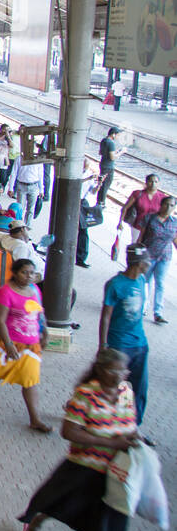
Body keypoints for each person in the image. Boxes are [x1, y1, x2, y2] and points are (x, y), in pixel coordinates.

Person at [17, 349, 140, 531]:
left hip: (116, 474)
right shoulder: (85, 395)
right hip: (84, 468)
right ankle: (35, 525)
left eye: (124, 371)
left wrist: (135, 438)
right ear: (101, 370)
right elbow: (69, 432)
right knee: (59, 504)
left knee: (115, 530)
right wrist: (112, 443)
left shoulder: (126, 392)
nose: (121, 375)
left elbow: (130, 424)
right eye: (115, 370)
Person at [0, 258, 52, 432]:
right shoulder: (5, 292)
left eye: (32, 272)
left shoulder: (34, 290)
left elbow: (39, 313)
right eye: (24, 272)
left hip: (30, 343)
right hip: (7, 341)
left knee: (30, 379)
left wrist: (45, 332)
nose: (29, 276)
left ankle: (35, 419)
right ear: (15, 273)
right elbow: (0, 320)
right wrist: (8, 345)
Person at [101, 244, 151, 424]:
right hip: (119, 344)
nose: (150, 263)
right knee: (118, 386)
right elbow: (105, 316)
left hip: (139, 343)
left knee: (140, 388)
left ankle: (133, 426)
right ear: (139, 263)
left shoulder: (142, 280)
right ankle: (116, 422)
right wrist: (103, 345)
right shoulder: (115, 284)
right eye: (147, 260)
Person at [138, 195, 177, 325]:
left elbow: (175, 239)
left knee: (160, 283)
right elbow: (141, 236)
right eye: (166, 204)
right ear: (161, 205)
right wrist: (138, 254)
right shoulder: (150, 218)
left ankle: (158, 313)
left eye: (172, 205)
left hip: (164, 257)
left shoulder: (175, 222)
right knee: (145, 281)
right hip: (149, 255)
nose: (168, 208)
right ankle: (142, 307)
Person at [118, 174, 165, 245]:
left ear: (159, 183)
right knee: (136, 248)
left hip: (154, 228)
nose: (153, 184)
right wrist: (120, 222)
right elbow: (125, 208)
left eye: (155, 182)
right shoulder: (138, 194)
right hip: (138, 226)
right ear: (146, 182)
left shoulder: (162, 198)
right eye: (151, 181)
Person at [10, 157, 43, 224]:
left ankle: (27, 225)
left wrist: (41, 190)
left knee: (31, 209)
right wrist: (10, 188)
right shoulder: (19, 158)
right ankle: (19, 224)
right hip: (21, 185)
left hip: (34, 185)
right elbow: (13, 173)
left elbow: (40, 176)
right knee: (20, 208)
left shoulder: (38, 160)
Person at [96, 128, 121, 206]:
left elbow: (100, 152)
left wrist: (115, 151)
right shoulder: (111, 143)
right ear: (113, 134)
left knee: (102, 184)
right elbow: (112, 157)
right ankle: (101, 203)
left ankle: (99, 201)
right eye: (118, 135)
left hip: (103, 164)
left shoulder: (104, 140)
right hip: (108, 167)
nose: (118, 137)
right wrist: (121, 152)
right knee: (105, 185)